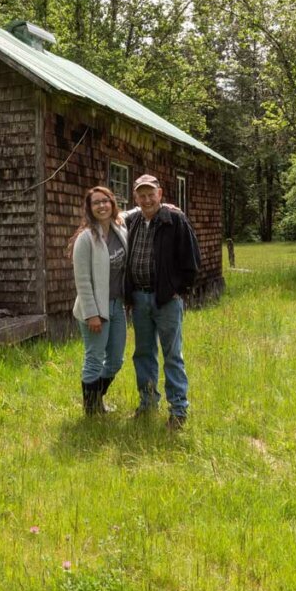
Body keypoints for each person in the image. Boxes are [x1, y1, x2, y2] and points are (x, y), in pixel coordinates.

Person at [123, 174, 201, 430]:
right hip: (139, 298)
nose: (147, 199)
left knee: (172, 356)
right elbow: (107, 214)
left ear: (160, 193)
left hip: (166, 300)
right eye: (141, 195)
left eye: (151, 194)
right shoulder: (131, 221)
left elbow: (192, 261)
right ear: (135, 198)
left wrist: (179, 290)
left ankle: (178, 411)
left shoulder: (174, 219)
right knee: (143, 354)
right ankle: (147, 403)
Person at [69, 186, 128, 416]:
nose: (102, 205)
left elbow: (134, 212)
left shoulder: (119, 229)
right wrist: (92, 314)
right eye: (96, 203)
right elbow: (82, 281)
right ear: (90, 208)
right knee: (94, 359)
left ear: (112, 203)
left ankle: (97, 399)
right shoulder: (86, 239)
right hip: (93, 309)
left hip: (117, 305)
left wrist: (164, 206)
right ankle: (92, 410)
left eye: (106, 201)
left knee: (115, 360)